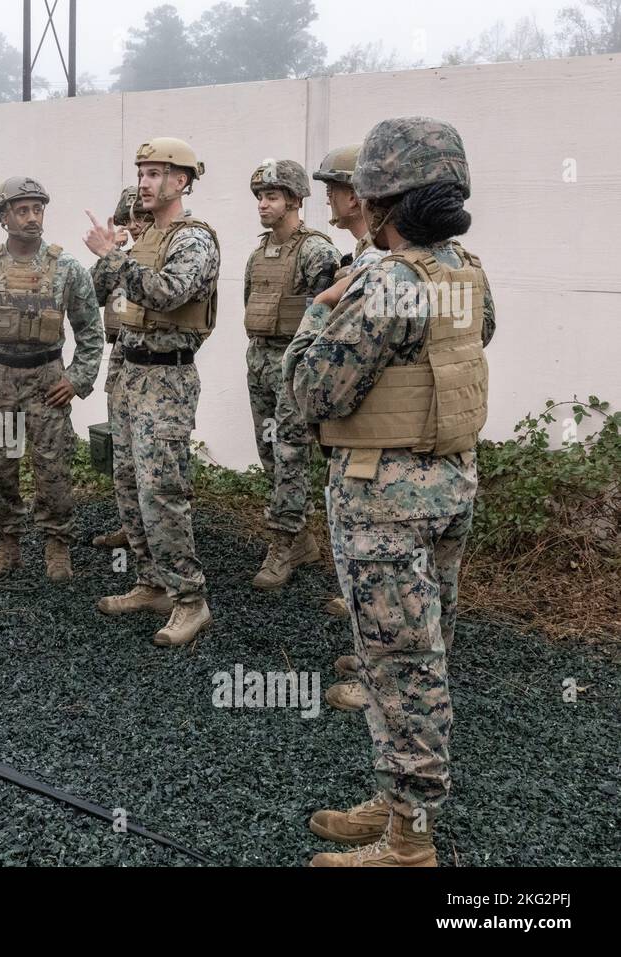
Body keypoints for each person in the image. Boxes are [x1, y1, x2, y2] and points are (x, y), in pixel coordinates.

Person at [285, 116, 496, 866]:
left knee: (400, 666)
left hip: (384, 503)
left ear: (380, 199)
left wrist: (319, 309)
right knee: (413, 654)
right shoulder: (466, 270)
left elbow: (313, 389)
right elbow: (473, 340)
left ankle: (409, 841)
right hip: (449, 488)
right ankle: (396, 801)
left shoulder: (383, 281)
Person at [86, 138, 221, 648]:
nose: (144, 182)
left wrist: (112, 257)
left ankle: (191, 600)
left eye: (157, 173)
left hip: (167, 378)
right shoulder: (142, 239)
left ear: (181, 181)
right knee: (127, 484)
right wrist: (109, 258)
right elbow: (106, 296)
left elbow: (168, 292)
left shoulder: (193, 240)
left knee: (162, 491)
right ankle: (151, 583)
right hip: (129, 371)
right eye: (141, 173)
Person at [0, 176, 104, 581]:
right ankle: (7, 546)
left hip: (47, 381)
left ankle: (57, 545)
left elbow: (91, 330)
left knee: (53, 469)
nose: (32, 217)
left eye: (37, 209)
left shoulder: (67, 268)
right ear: (3, 216)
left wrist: (76, 379)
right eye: (22, 210)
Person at [311, 143, 387, 711]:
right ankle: (372, 657)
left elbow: (319, 380)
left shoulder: (382, 264)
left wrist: (325, 303)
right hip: (376, 442)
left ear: (357, 194)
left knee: (383, 572)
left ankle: (382, 680)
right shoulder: (371, 252)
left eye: (333, 187)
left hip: (382, 454)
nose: (329, 198)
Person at [242, 159, 340, 590]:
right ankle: (299, 538)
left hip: (293, 365)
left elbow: (329, 316)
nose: (263, 204)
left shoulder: (317, 251)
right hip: (260, 360)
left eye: (272, 196)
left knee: (291, 456)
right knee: (269, 452)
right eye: (260, 196)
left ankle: (282, 544)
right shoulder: (258, 251)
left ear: (296, 200)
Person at [92, 185, 154, 551]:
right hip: (121, 354)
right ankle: (132, 526)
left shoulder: (161, 254)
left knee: (153, 456)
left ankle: (156, 533)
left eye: (143, 217)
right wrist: (110, 253)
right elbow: (92, 294)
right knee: (123, 449)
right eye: (130, 219)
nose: (137, 224)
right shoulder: (120, 256)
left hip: (152, 360)